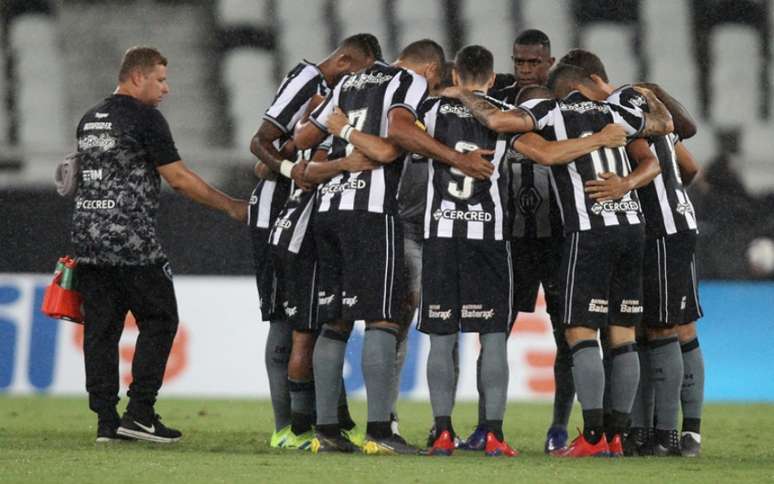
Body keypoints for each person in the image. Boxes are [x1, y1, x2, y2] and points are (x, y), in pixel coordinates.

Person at [444, 62, 671, 457]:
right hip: (633, 228)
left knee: (580, 334)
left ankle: (595, 437)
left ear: (557, 91)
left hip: (590, 231)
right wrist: (646, 97)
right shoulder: (616, 112)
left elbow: (501, 122)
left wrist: (462, 93)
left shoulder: (553, 111)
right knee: (622, 337)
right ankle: (618, 436)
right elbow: (664, 126)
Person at [72, 46, 246, 443]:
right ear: (138, 77)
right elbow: (179, 179)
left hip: (87, 239)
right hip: (131, 240)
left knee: (101, 330)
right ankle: (140, 411)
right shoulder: (144, 117)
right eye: (161, 79)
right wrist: (231, 206)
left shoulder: (89, 119)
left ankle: (105, 423)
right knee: (160, 319)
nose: (166, 88)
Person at [560, 48, 705, 457]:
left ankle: (670, 433)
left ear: (584, 82)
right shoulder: (638, 101)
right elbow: (689, 165)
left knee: (666, 328)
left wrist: (633, 188)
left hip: (660, 228)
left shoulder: (619, 105)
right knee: (641, 328)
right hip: (656, 226)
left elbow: (663, 161)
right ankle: (643, 432)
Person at [248, 33, 378, 449]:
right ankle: (288, 427)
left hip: (313, 217)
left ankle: (330, 420)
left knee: (318, 321)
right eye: (357, 75)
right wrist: (291, 169)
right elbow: (260, 145)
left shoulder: (335, 98)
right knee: (288, 325)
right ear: (343, 62)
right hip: (281, 220)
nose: (361, 87)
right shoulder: (307, 80)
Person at [486, 29, 573, 454]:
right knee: (494, 332)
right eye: (519, 61)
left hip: (557, 239)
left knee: (568, 335)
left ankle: (559, 426)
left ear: (550, 62)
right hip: (510, 241)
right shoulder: (497, 94)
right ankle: (490, 425)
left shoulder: (565, 103)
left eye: (533, 62)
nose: (525, 69)